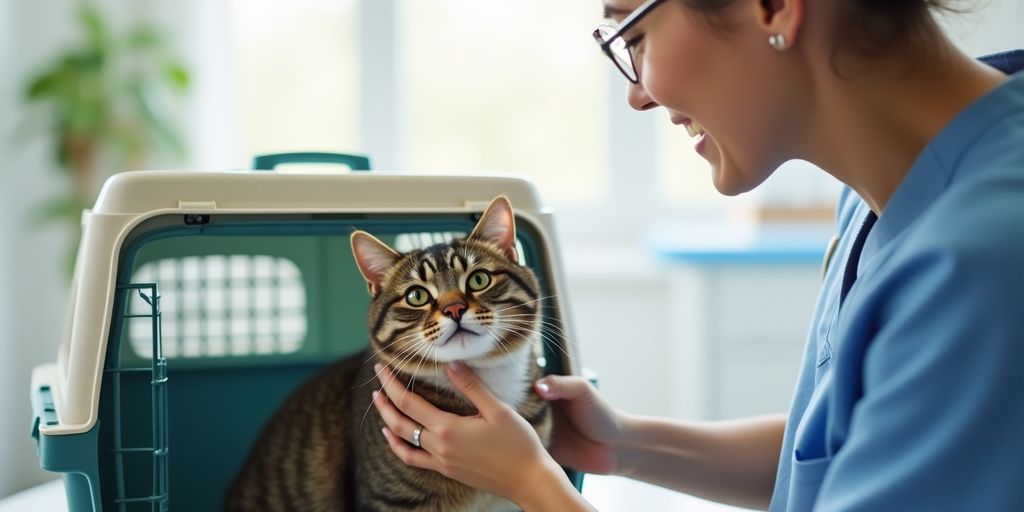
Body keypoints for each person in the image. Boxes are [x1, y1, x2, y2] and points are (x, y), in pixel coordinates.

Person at [372, 0, 1024, 509]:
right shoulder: (885, 192)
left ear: (772, 7)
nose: (638, 94)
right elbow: (849, 451)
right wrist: (623, 444)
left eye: (635, 39)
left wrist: (534, 485)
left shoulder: (983, 265)